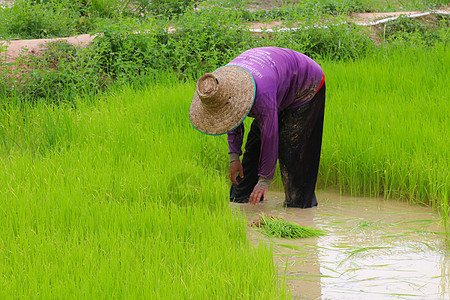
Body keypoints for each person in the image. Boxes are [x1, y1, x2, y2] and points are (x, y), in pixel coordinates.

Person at [189, 47, 325, 208]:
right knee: (253, 150)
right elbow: (231, 118)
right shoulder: (222, 84)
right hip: (275, 80)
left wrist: (265, 180)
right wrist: (234, 157)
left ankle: (300, 207)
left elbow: (270, 136)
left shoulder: (262, 97)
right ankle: (242, 200)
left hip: (305, 83)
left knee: (293, 153)